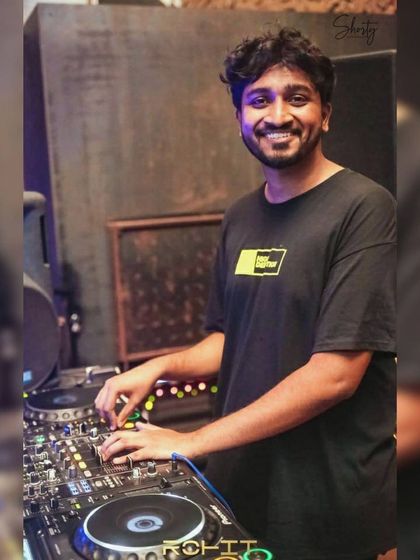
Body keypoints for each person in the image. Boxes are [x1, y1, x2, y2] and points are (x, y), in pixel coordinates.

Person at [96, 28, 396, 560]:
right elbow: (229, 339)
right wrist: (159, 368)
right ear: (239, 116)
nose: (278, 115)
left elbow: (335, 375)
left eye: (297, 98)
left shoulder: (364, 208)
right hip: (244, 478)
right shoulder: (240, 215)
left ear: (326, 114)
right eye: (259, 100)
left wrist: (192, 440)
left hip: (326, 499)